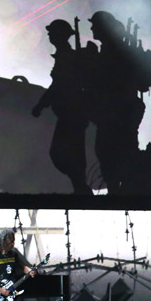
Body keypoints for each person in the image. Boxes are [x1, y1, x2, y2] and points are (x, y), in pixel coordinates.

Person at [83, 11, 151, 194]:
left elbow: (120, 81)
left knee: (117, 152)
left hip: (119, 111)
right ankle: (118, 190)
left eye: (95, 26)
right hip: (111, 111)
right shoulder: (110, 51)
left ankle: (122, 191)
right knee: (108, 152)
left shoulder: (118, 52)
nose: (92, 29)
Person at [32, 19, 91, 194]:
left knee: (64, 154)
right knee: (69, 154)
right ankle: (80, 188)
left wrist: (41, 105)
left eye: (52, 33)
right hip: (70, 114)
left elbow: (58, 85)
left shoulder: (66, 57)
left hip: (71, 114)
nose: (49, 36)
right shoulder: (66, 56)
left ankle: (81, 188)